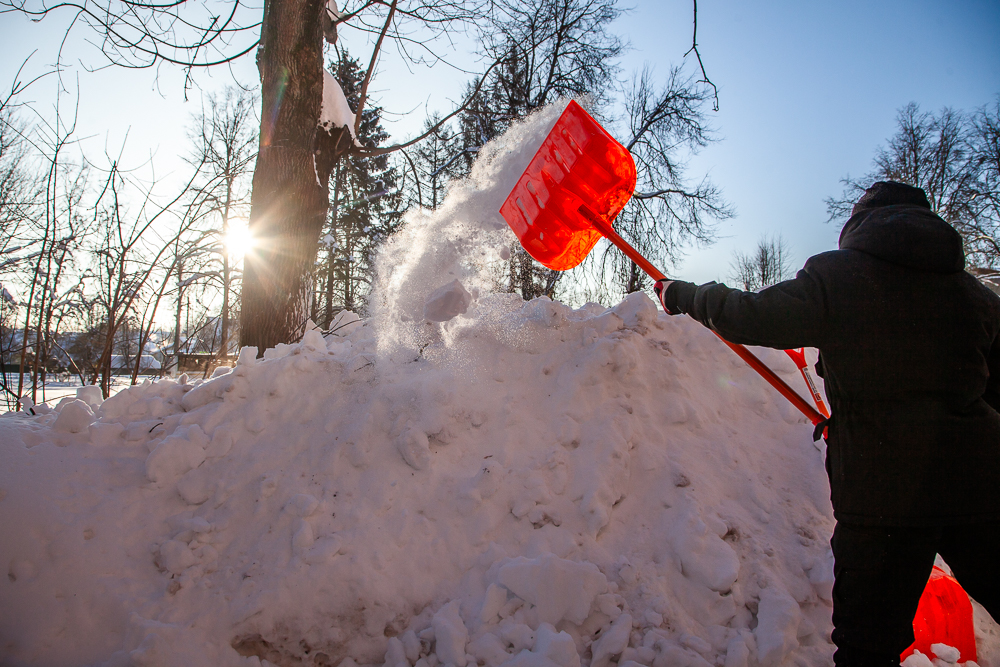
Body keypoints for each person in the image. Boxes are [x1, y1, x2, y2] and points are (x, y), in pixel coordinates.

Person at [653, 181, 1000, 666]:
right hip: (980, 487)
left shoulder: (840, 276)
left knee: (867, 647)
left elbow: (754, 316)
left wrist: (683, 294)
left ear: (859, 224)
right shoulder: (975, 296)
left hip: (884, 495)